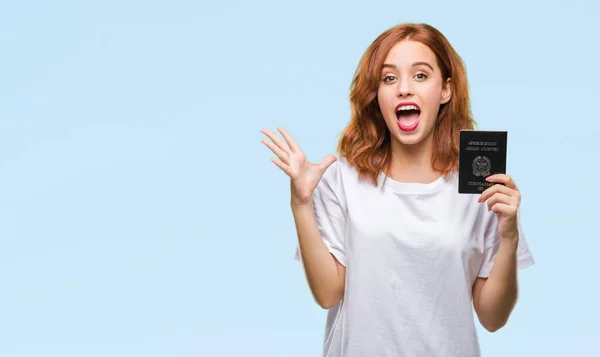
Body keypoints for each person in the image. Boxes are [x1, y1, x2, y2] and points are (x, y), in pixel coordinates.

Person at [260, 22, 534, 357]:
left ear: (445, 89)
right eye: (389, 78)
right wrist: (301, 204)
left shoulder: (480, 188)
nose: (404, 89)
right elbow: (328, 293)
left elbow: (493, 318)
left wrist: (509, 239)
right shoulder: (342, 179)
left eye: (420, 75)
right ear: (376, 94)